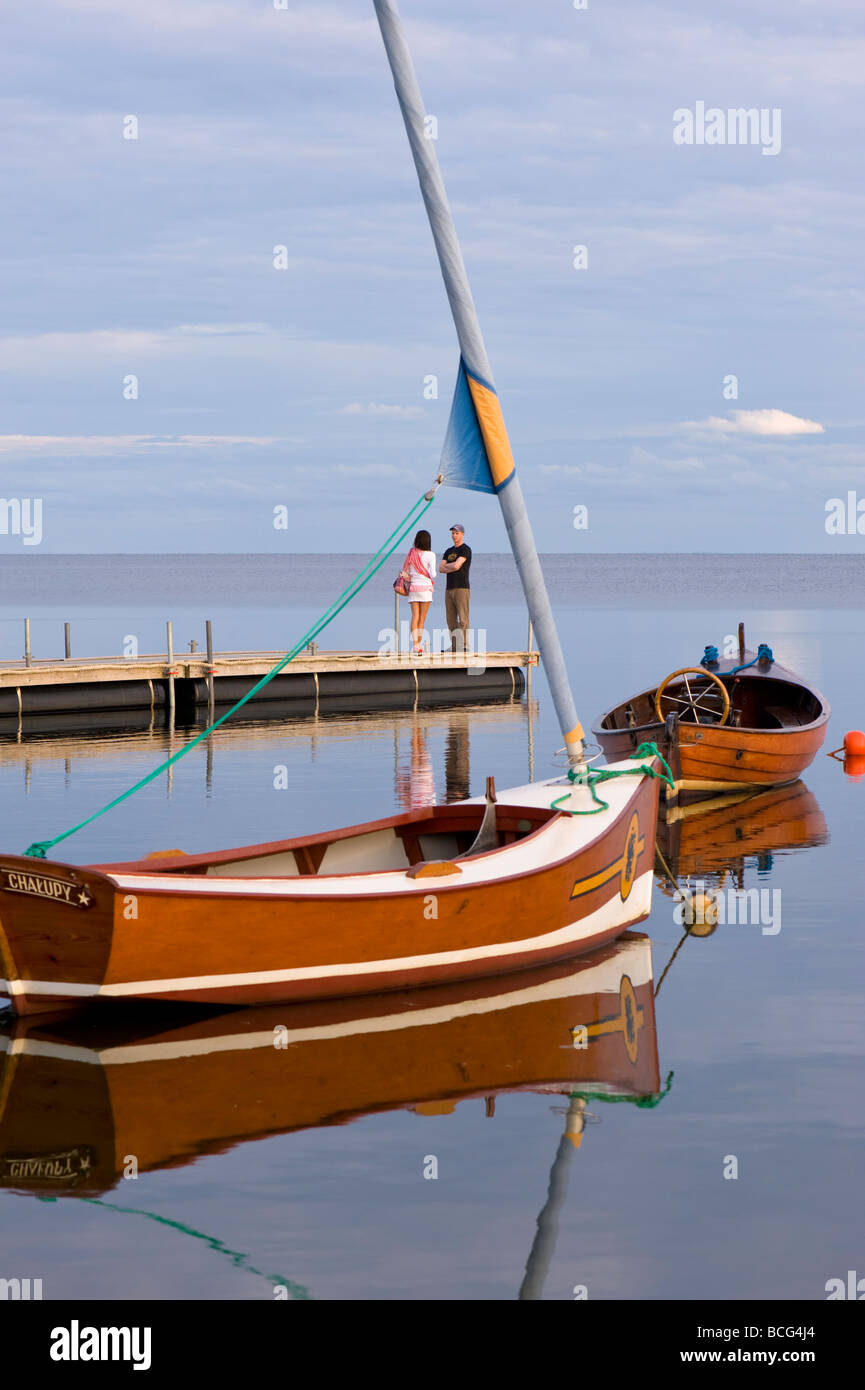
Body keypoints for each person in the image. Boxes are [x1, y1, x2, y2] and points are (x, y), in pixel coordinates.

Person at [403, 528, 436, 655]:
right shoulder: (431, 555)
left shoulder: (412, 553)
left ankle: (415, 645)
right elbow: (433, 574)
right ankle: (419, 645)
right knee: (422, 618)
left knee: (414, 617)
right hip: (425, 589)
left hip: (413, 588)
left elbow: (407, 571)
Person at [439, 524, 471, 653]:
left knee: (463, 618)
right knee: (451, 620)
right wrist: (450, 567)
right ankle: (454, 646)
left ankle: (464, 645)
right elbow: (441, 568)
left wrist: (449, 566)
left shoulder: (465, 550)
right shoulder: (448, 551)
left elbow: (458, 566)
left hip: (462, 587)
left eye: (456, 533)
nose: (454, 535)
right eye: (452, 533)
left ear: (462, 534)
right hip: (449, 588)